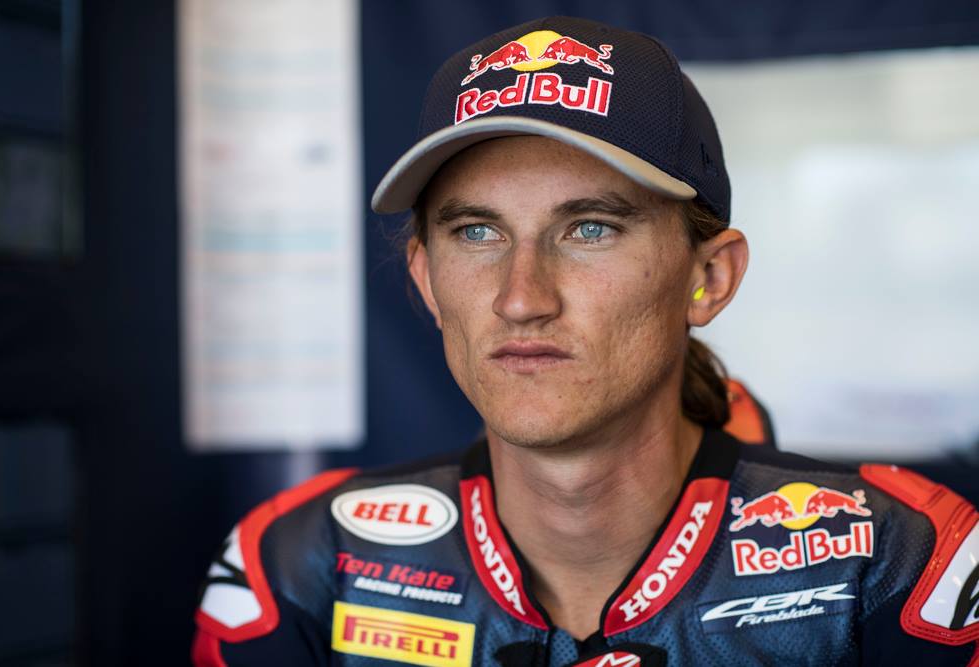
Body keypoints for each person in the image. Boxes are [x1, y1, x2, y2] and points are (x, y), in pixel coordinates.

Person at [192, 16, 979, 666]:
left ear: (709, 277)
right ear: (427, 281)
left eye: (590, 228)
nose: (521, 298)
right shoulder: (302, 566)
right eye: (477, 232)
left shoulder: (900, 563)